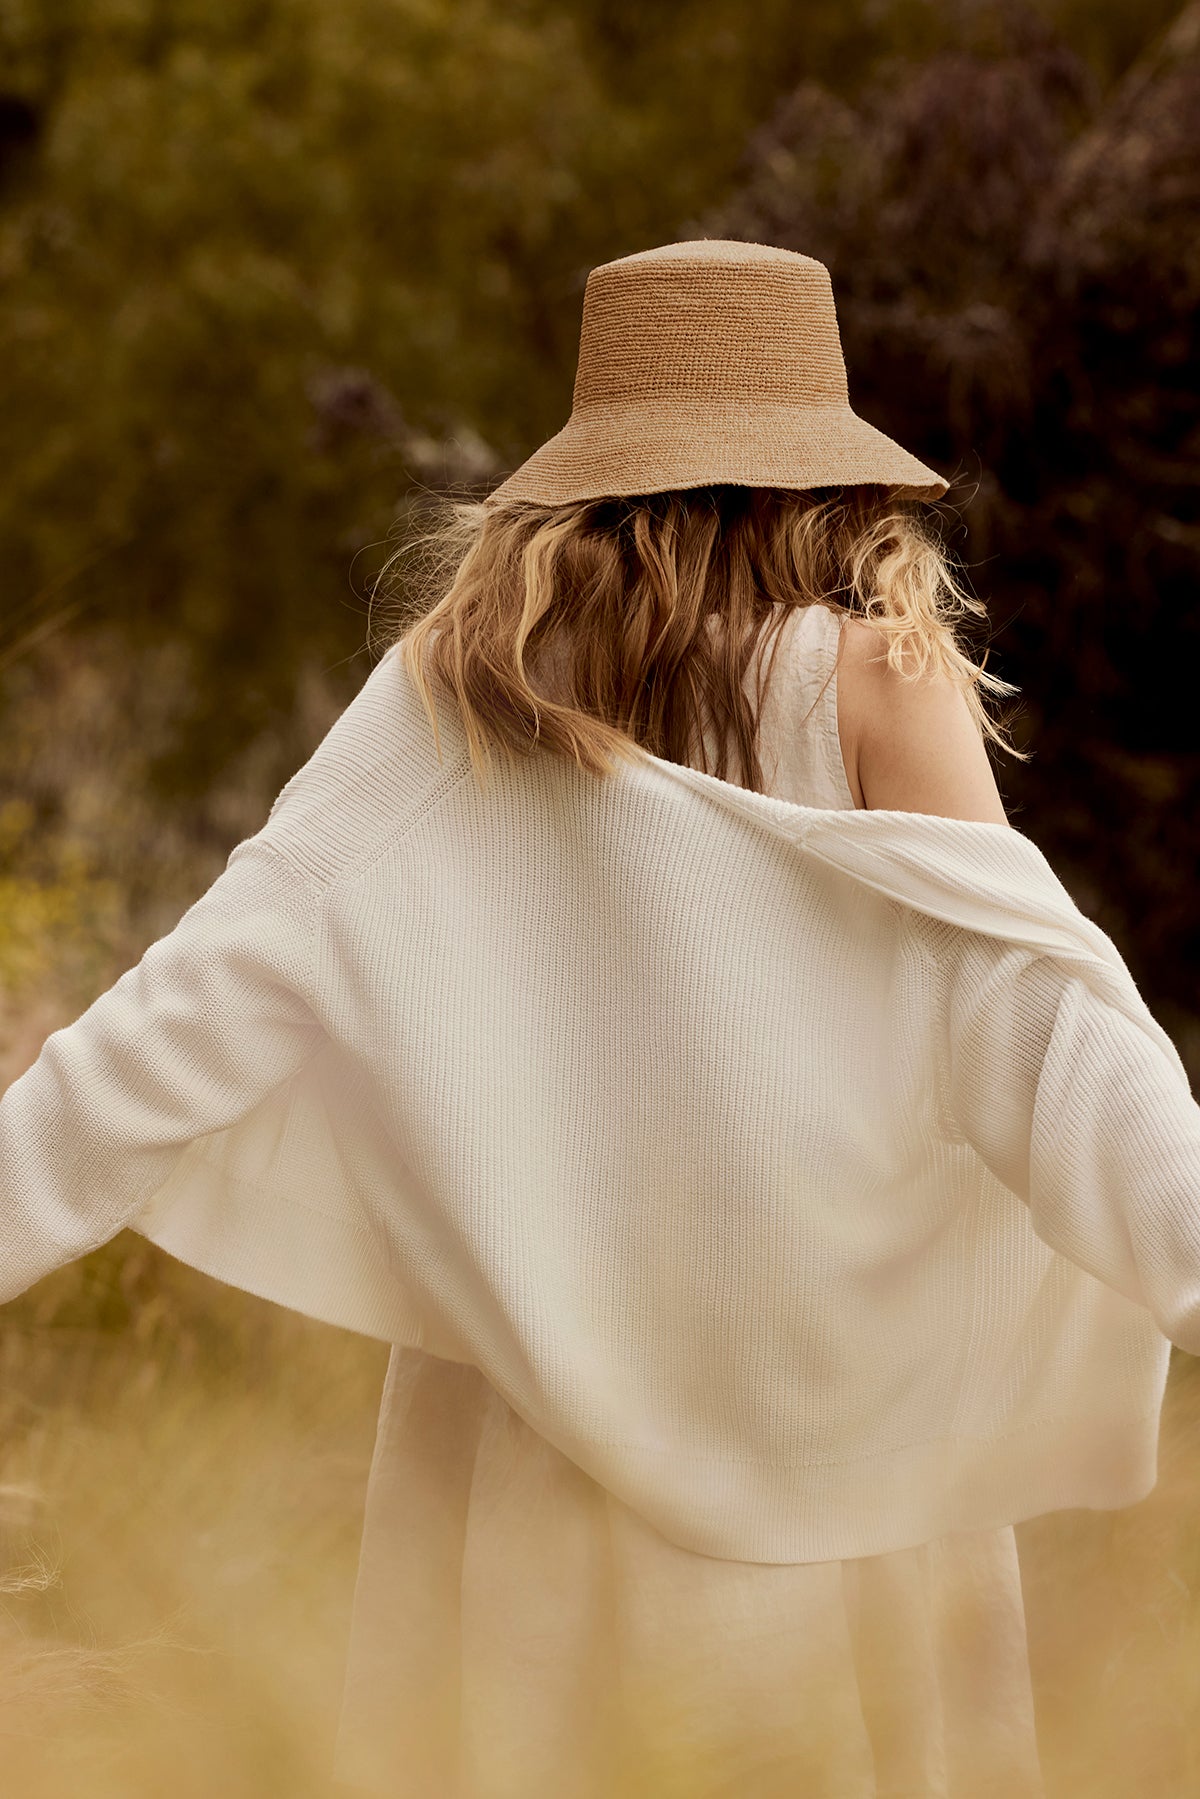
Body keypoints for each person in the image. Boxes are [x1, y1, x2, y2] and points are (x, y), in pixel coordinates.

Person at [3, 239, 1199, 1799]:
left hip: (521, 1484)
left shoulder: (456, 695)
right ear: (817, 479)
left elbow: (170, 1030)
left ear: (591, 473)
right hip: (832, 1483)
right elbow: (1052, 1054)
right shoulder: (882, 683)